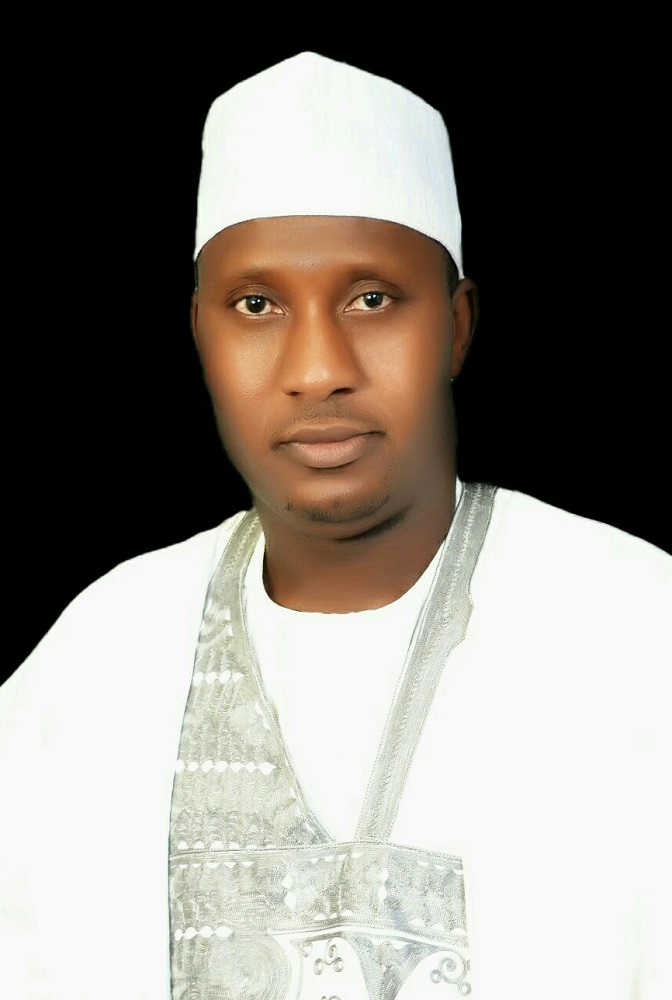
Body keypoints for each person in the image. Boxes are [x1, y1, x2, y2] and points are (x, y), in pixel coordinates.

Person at [1, 52, 669, 1000]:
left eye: (371, 299)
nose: (318, 368)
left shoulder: (634, 627)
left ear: (457, 326)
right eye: (257, 305)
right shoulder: (101, 654)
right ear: (200, 336)